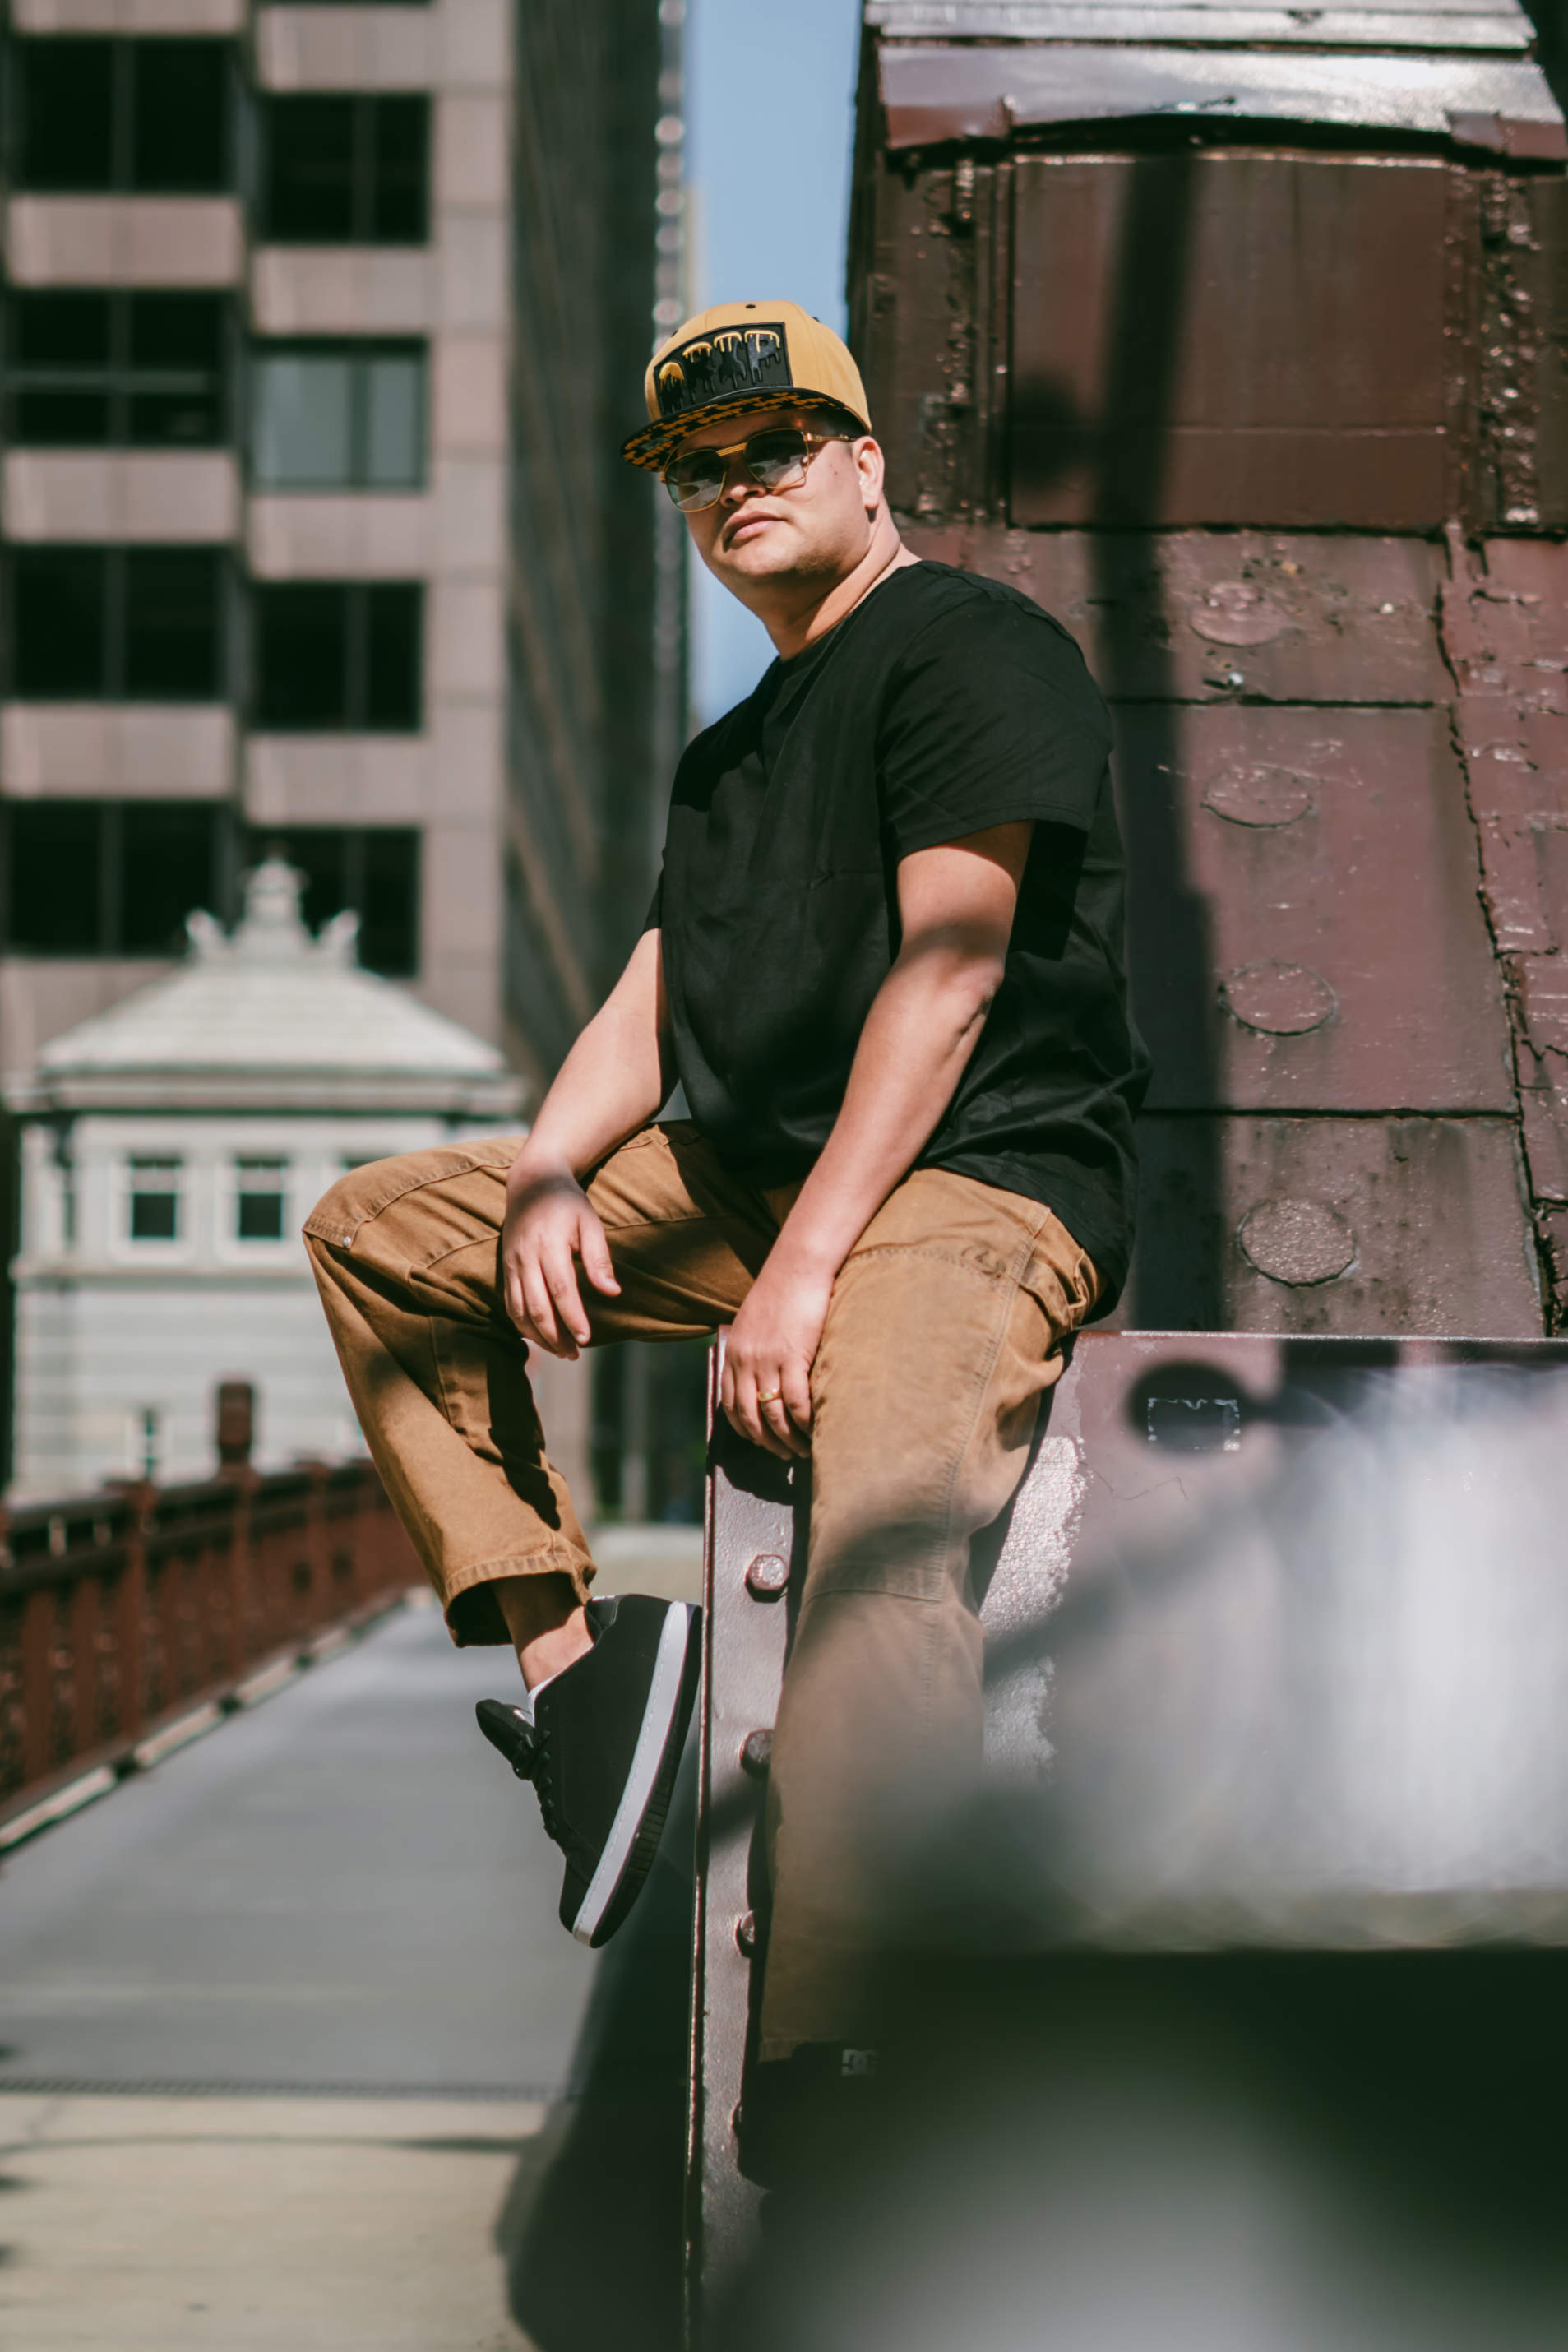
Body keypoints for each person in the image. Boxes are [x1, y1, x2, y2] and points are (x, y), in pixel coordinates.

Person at [305, 300, 1149, 2066]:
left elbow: (956, 969)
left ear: (862, 460)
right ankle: (583, 1685)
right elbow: (661, 983)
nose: (732, 485)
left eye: (770, 447)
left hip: (979, 1169)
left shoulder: (972, 650)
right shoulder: (732, 746)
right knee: (383, 1233)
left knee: (883, 1538)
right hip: (760, 1175)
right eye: (697, 469)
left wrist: (801, 1276)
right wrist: (545, 1169)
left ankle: (847, 2043)